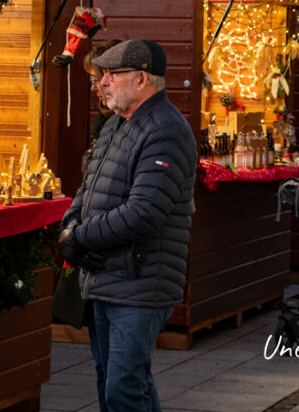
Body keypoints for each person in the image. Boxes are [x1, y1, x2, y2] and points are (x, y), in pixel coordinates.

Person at [60, 39, 197, 412]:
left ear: (140, 79)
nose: (102, 82)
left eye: (111, 74)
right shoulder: (117, 125)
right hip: (106, 278)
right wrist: (70, 223)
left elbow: (144, 212)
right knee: (114, 381)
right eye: (101, 75)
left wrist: (80, 236)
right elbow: (88, 188)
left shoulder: (165, 129)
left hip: (140, 281)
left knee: (124, 386)